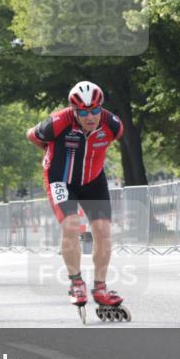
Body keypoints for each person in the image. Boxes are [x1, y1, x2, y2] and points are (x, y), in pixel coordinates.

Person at [26, 81, 129, 322]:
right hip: (60, 180)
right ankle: (76, 282)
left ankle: (100, 287)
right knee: (71, 225)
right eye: (83, 112)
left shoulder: (113, 125)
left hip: (93, 180)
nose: (90, 116)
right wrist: (50, 151)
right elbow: (31, 135)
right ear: (74, 110)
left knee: (103, 232)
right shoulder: (57, 122)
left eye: (94, 110)